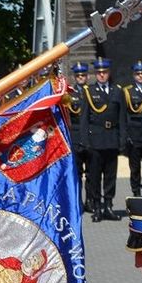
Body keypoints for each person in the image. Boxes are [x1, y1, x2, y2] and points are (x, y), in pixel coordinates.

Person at [80, 57, 122, 222]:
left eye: (104, 72)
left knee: (111, 176)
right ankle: (97, 207)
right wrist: (85, 140)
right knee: (95, 176)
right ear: (96, 74)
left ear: (108, 73)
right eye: (99, 73)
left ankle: (108, 206)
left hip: (111, 139)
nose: (102, 75)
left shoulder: (116, 91)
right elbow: (84, 119)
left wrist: (122, 138)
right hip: (95, 140)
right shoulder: (89, 92)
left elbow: (122, 118)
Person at [121, 61, 142, 197]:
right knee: (135, 168)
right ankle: (136, 193)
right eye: (138, 74)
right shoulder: (128, 92)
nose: (141, 76)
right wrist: (126, 135)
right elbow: (124, 115)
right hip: (134, 135)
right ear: (134, 75)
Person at [64, 61, 89, 213]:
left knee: (92, 175)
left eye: (83, 75)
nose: (81, 78)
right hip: (75, 136)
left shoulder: (92, 91)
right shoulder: (70, 94)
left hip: (90, 136)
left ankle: (91, 201)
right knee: (77, 173)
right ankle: (78, 202)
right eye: (78, 75)